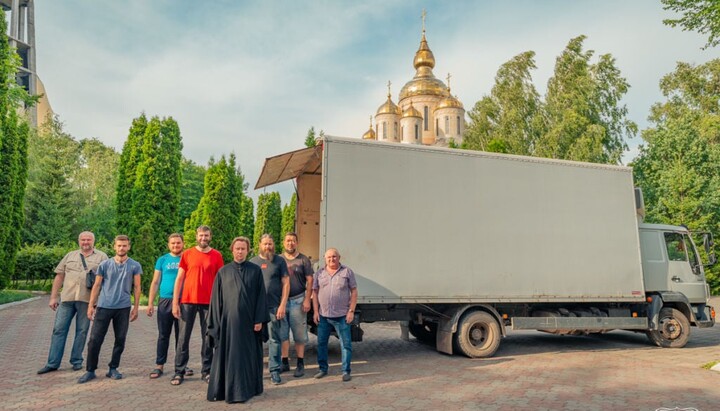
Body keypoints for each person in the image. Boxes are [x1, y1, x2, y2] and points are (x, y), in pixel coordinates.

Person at [207, 237, 267, 404]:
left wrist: (259, 319)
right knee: (230, 356)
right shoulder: (223, 272)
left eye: (243, 249)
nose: (240, 252)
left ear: (248, 251)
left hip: (249, 324)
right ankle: (228, 389)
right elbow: (216, 300)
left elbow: (261, 296)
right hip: (228, 325)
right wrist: (217, 323)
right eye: (237, 248)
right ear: (232, 250)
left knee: (248, 356)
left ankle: (249, 388)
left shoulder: (255, 271)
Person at [37, 231, 108, 374]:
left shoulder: (102, 257)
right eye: (83, 240)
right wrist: (53, 297)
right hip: (67, 299)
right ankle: (52, 363)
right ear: (79, 241)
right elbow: (59, 276)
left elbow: (106, 281)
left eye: (88, 240)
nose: (85, 242)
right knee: (58, 330)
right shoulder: (70, 256)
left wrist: (99, 301)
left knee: (82, 332)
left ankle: (76, 360)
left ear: (93, 241)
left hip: (87, 301)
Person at [77, 235, 142, 383]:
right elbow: (97, 285)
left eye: (124, 246)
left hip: (123, 308)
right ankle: (90, 370)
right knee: (94, 340)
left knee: (120, 339)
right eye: (119, 245)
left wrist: (136, 308)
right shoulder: (105, 265)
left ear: (128, 247)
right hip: (104, 306)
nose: (121, 248)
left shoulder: (135, 265)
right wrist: (90, 305)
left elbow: (137, 287)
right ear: (114, 247)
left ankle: (113, 368)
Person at [171, 225, 224, 385]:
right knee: (183, 338)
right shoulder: (187, 254)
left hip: (209, 303)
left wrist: (220, 304)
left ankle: (206, 371)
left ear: (210, 236)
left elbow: (220, 282)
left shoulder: (216, 255)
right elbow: (179, 279)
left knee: (208, 338)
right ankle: (179, 371)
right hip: (187, 301)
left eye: (206, 235)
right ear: (196, 236)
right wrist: (175, 303)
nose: (203, 238)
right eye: (201, 235)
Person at [312, 248, 358, 382]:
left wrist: (351, 311)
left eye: (334, 257)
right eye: (329, 257)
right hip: (324, 316)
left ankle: (346, 371)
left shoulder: (347, 272)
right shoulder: (319, 273)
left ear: (339, 257)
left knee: (346, 344)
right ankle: (322, 369)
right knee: (321, 344)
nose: (332, 259)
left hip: (342, 316)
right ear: (324, 259)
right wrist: (315, 311)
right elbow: (314, 293)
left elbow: (354, 291)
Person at [249, 234, 289, 385]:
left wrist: (282, 305)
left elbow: (286, 283)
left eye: (270, 244)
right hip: (256, 309)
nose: (268, 247)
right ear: (260, 244)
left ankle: (274, 371)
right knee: (255, 340)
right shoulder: (252, 262)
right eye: (265, 244)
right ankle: (255, 371)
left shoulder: (279, 261)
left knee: (274, 340)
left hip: (274, 307)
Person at [146, 233, 186, 379]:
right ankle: (159, 365)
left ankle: (181, 364)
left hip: (183, 301)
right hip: (165, 301)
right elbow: (155, 281)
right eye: (173, 243)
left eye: (178, 243)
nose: (176, 245)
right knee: (163, 334)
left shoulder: (187, 258)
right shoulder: (162, 259)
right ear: (169, 245)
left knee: (181, 336)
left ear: (183, 243)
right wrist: (150, 302)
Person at [280, 232, 314, 377]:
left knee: (299, 334)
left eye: (293, 241)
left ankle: (300, 363)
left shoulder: (303, 260)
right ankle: (284, 362)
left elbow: (310, 280)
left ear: (297, 243)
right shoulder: (279, 259)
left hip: (298, 301)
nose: (290, 243)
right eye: (288, 241)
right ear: (283, 243)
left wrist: (307, 299)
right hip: (281, 302)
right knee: (283, 334)